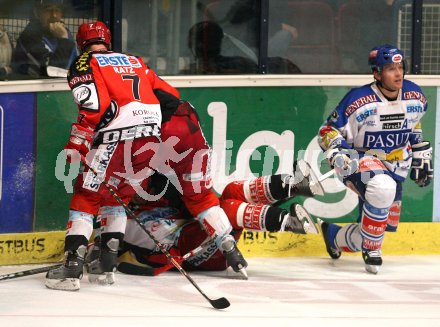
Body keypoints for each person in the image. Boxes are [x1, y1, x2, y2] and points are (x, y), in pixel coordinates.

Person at [45, 20, 181, 291]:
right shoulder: (135, 61)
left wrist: (77, 145)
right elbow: (172, 98)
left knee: (87, 194)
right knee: (118, 195)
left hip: (113, 137)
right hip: (149, 138)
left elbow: (95, 106)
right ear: (108, 41)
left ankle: (72, 269)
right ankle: (106, 264)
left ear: (80, 43)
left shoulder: (85, 63)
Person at [88, 160, 324, 277]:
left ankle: (292, 186)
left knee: (231, 191)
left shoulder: (151, 191)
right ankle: (288, 222)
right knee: (228, 211)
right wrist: (93, 253)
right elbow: (106, 249)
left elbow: (197, 204)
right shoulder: (110, 219)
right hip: (190, 251)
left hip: (204, 236)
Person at [316, 44, 432, 274]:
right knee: (382, 187)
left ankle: (334, 235)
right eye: (390, 69)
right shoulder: (359, 100)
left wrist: (420, 153)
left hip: (397, 165)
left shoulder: (416, 96)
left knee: (378, 227)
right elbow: (327, 131)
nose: (398, 73)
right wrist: (338, 152)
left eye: (400, 67)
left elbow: (414, 125)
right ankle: (373, 250)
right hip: (359, 159)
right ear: (377, 74)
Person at [11, 0, 77, 77]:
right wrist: (63, 40)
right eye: (48, 10)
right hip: (36, 86)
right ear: (37, 13)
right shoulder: (29, 36)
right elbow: (52, 72)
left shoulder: (64, 32)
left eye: (57, 10)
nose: (54, 15)